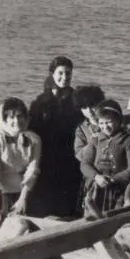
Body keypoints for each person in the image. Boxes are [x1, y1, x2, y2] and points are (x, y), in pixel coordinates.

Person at [28, 56, 83, 217]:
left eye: (68, 74)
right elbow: (32, 128)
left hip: (68, 153)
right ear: (52, 73)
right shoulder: (41, 101)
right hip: (46, 153)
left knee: (66, 195)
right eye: (60, 73)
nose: (64, 77)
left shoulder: (76, 99)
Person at [0, 98, 41, 222]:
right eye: (11, 117)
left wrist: (23, 199)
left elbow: (33, 170)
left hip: (21, 193)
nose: (17, 121)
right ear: (4, 120)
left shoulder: (34, 139)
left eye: (20, 116)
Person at [81, 99, 130, 219]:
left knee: (113, 217)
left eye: (109, 122)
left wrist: (113, 180)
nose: (105, 127)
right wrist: (96, 177)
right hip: (96, 185)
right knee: (91, 214)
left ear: (118, 121)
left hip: (116, 188)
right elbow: (85, 164)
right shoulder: (95, 140)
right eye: (101, 123)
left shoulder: (128, 141)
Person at [73, 85, 106, 161]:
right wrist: (92, 143)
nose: (89, 111)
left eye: (92, 105)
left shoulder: (111, 122)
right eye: (84, 107)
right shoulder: (81, 129)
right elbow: (78, 155)